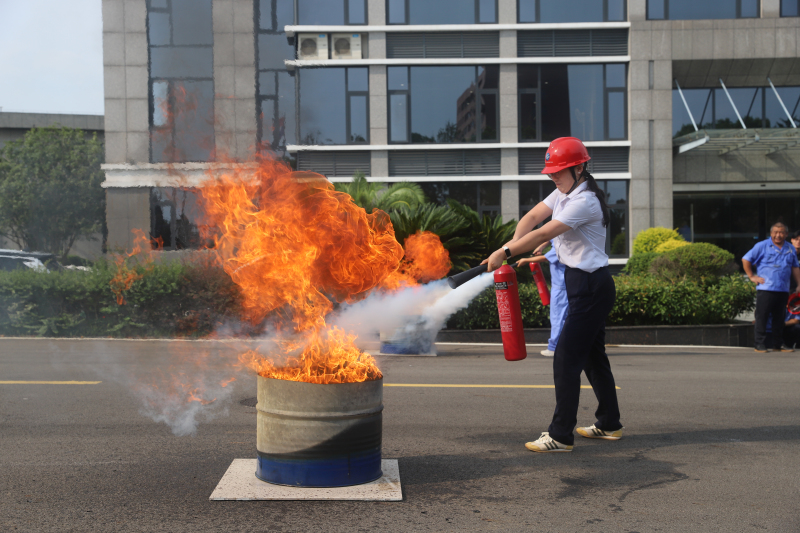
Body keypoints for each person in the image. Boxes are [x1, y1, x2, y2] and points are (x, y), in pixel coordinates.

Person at [483, 137, 622, 453]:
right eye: (551, 172)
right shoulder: (563, 193)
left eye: (559, 171)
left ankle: (560, 435)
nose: (553, 177)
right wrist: (510, 247)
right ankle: (610, 423)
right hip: (582, 285)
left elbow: (545, 232)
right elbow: (531, 219)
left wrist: (504, 252)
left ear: (579, 168)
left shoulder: (584, 201)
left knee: (566, 357)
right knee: (593, 358)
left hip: (591, 286)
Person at [742, 222, 800, 353]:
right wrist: (751, 276)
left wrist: (799, 284)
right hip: (766, 288)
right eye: (775, 232)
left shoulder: (790, 248)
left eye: (781, 232)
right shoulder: (762, 246)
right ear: (771, 233)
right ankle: (759, 344)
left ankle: (778, 344)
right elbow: (746, 259)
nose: (778, 235)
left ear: (786, 234)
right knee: (762, 317)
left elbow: (795, 267)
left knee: (779, 318)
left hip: (783, 289)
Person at [518, 241, 568, 357]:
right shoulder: (561, 234)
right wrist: (541, 246)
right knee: (562, 317)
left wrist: (526, 260)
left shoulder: (563, 242)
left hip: (561, 287)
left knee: (558, 318)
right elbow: (550, 238)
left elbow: (546, 257)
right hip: (560, 285)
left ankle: (554, 347)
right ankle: (563, 347)